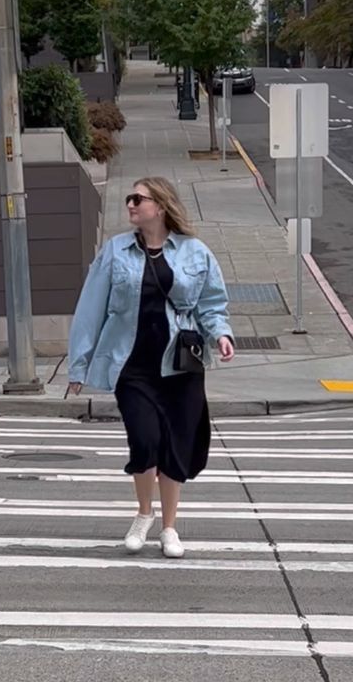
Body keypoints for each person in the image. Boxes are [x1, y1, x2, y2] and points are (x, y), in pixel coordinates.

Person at [68, 177, 234, 558]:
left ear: (159, 206)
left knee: (175, 446)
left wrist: (221, 335)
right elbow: (90, 308)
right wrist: (78, 365)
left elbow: (212, 304)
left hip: (181, 366)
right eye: (129, 199)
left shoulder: (194, 252)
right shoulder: (115, 251)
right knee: (145, 441)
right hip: (132, 366)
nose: (130, 205)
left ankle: (170, 528)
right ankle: (144, 514)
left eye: (137, 199)